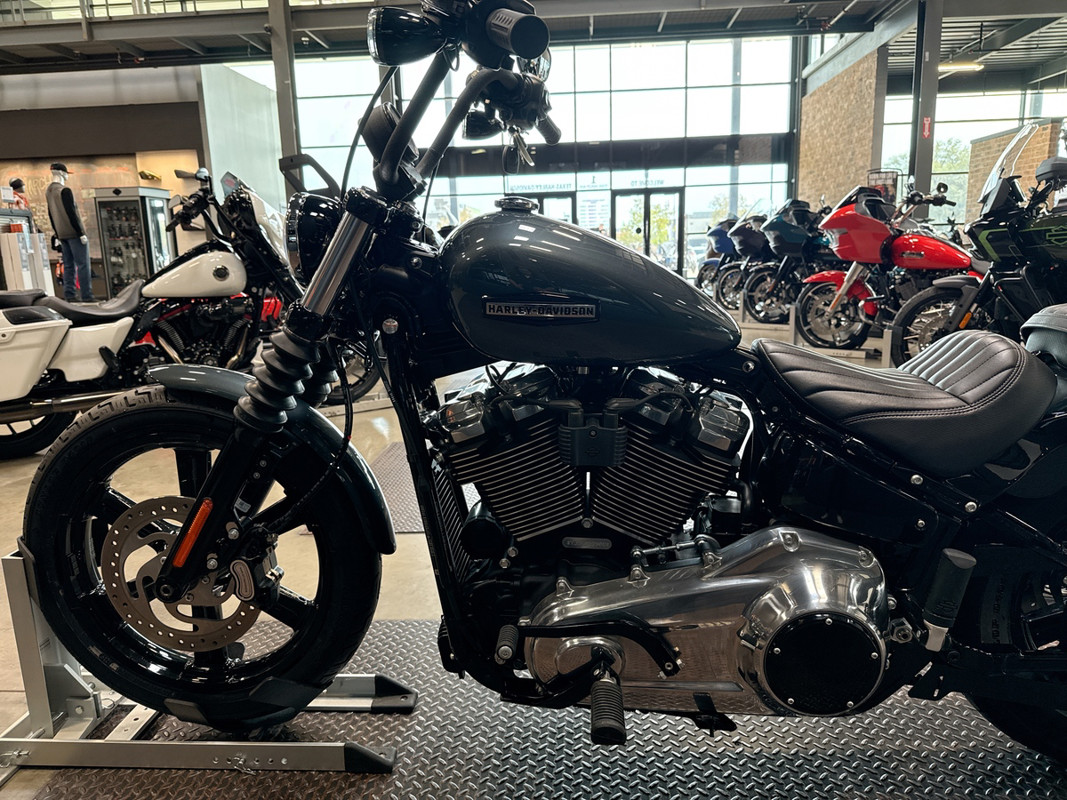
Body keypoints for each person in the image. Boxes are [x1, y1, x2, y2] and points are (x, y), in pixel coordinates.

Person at [45, 162, 93, 302]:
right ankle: (87, 295)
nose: (67, 176)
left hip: (61, 233)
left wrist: (57, 233)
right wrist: (81, 232)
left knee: (68, 265)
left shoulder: (49, 191)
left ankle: (70, 294)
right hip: (73, 233)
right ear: (61, 173)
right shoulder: (64, 191)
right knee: (83, 264)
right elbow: (72, 213)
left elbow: (50, 213)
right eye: (66, 173)